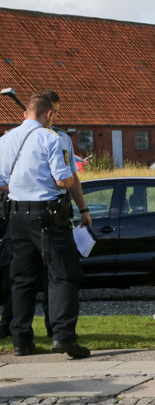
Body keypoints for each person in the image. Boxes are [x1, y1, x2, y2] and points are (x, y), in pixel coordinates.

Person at [0, 94, 89, 357]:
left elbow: (3, 182)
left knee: (22, 279)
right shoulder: (52, 139)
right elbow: (63, 181)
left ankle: (21, 340)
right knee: (62, 275)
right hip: (47, 215)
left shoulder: (5, 140)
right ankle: (63, 336)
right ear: (49, 114)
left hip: (16, 215)